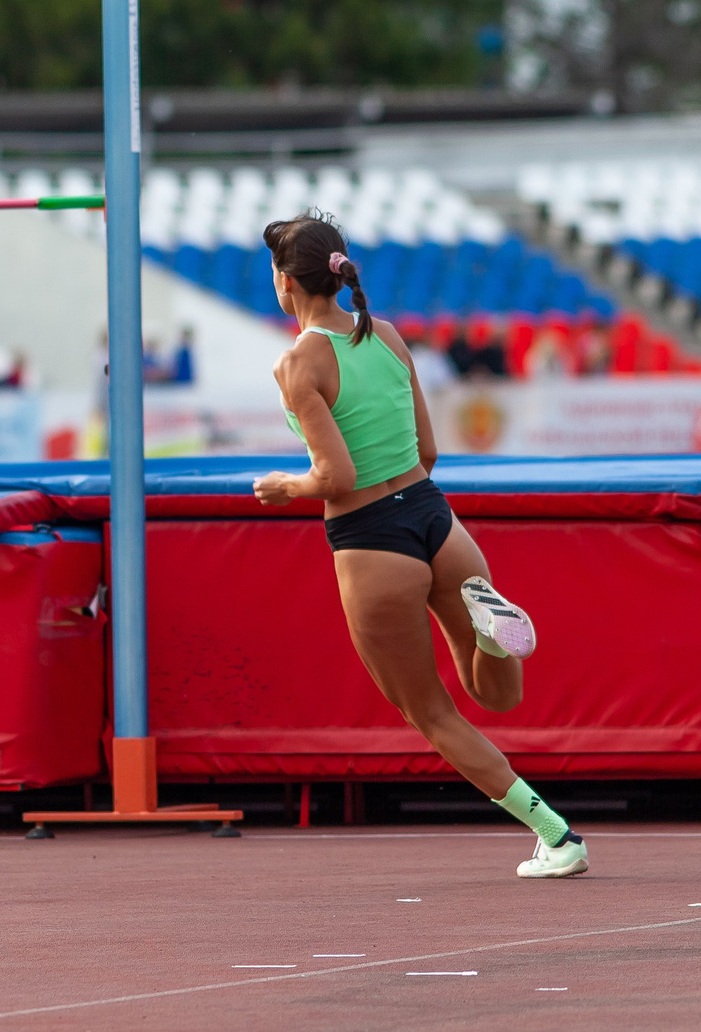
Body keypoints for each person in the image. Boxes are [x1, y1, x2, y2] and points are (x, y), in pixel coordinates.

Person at [251, 210, 586, 880]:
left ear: (288, 283)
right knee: (495, 695)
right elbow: (428, 453)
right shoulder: (391, 338)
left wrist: (287, 487)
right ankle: (492, 635)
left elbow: (336, 478)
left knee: (430, 712)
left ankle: (558, 837)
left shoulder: (298, 363)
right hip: (438, 523)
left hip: (372, 541)